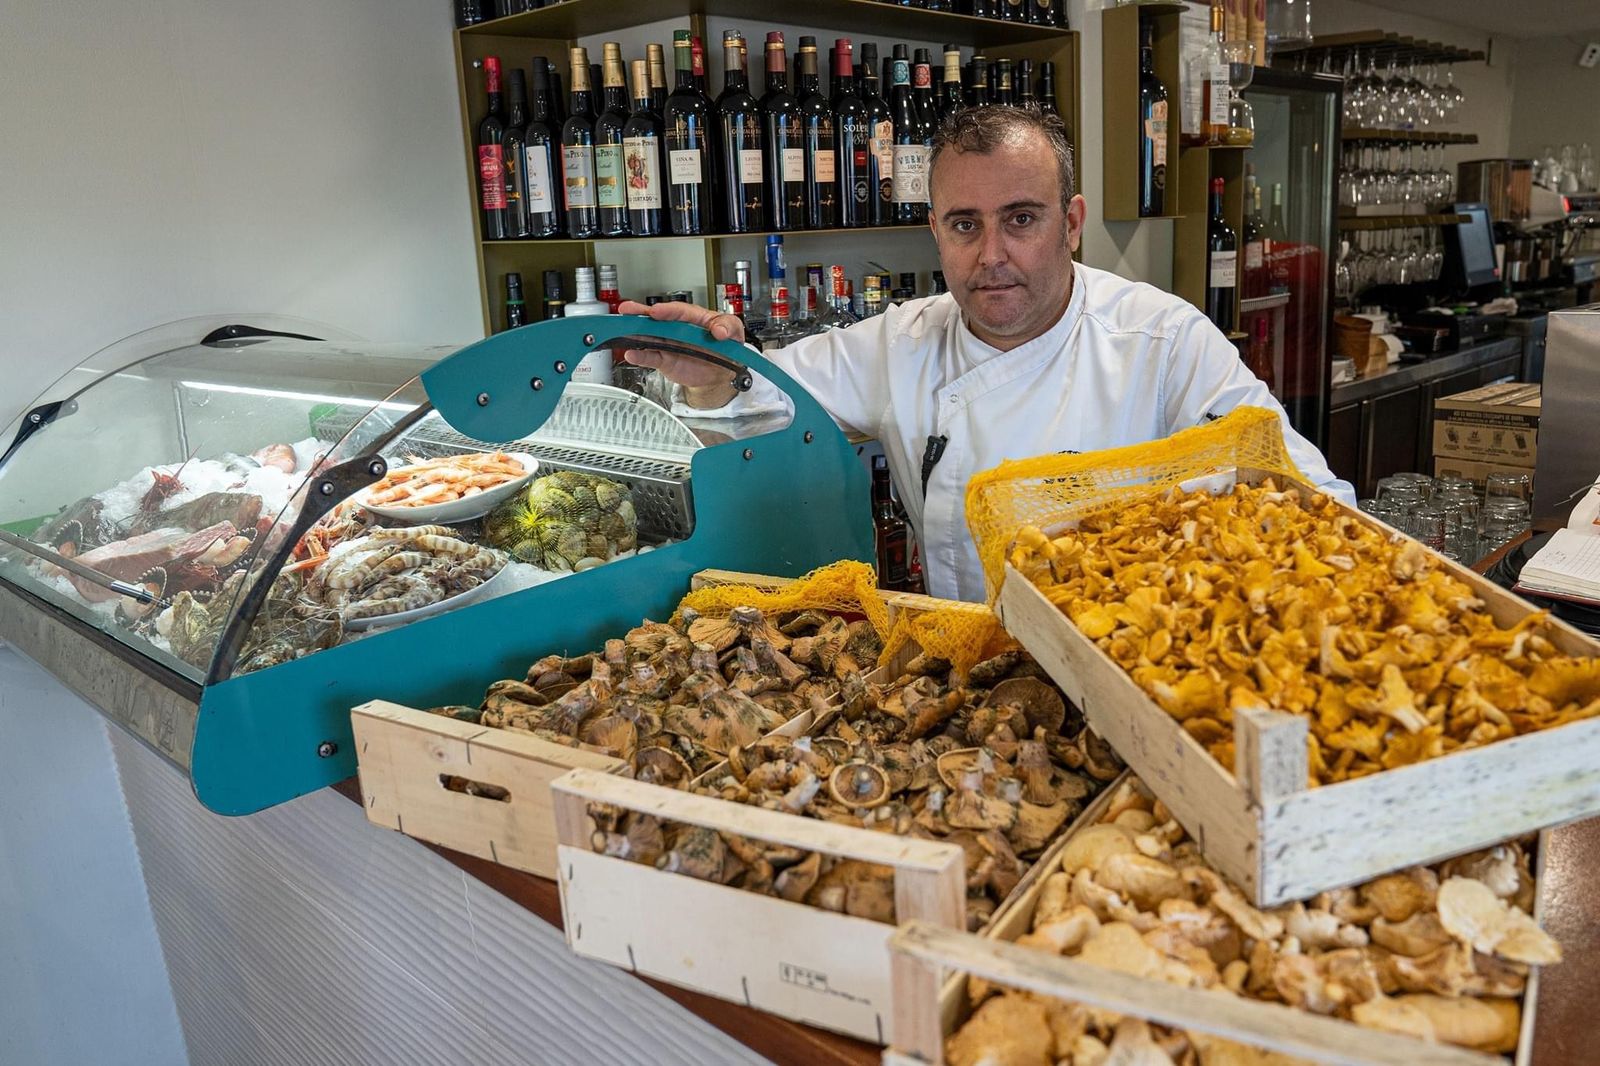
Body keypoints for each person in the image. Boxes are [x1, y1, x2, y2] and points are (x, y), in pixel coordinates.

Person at [620, 106, 1353, 602]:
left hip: (1133, 665)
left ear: (1070, 224)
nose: (993, 255)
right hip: (965, 670)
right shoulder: (901, 341)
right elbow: (768, 398)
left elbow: (1311, 505)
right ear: (935, 230)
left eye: (1021, 220)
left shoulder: (1162, 342)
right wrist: (714, 374)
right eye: (966, 225)